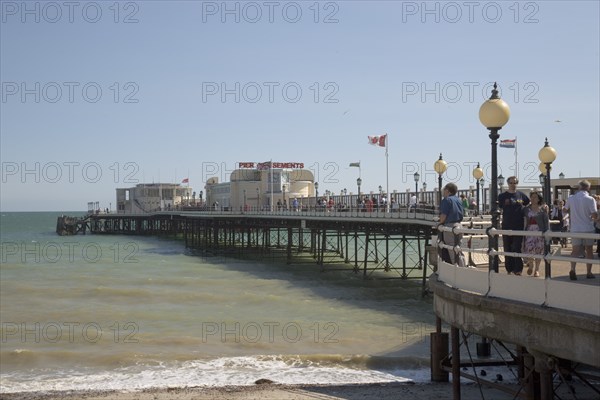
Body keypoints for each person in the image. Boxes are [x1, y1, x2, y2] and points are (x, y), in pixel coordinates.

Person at [564, 180, 598, 280]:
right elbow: (594, 215)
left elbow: (565, 210)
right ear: (588, 188)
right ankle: (589, 272)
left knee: (575, 251)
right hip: (588, 228)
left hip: (575, 228)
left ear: (579, 187)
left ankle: (573, 269)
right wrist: (594, 218)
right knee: (589, 251)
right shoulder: (590, 199)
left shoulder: (571, 198)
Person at [498, 176, 530, 275]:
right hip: (507, 224)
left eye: (515, 182)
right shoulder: (502, 196)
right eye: (511, 183)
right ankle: (509, 269)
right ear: (508, 184)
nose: (513, 184)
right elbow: (499, 206)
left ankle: (518, 269)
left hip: (518, 225)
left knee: (517, 247)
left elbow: (528, 203)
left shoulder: (521, 195)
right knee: (507, 247)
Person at [522, 191, 549, 277]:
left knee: (538, 250)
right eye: (532, 197)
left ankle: (537, 269)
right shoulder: (526, 209)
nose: (533, 199)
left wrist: (547, 232)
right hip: (529, 230)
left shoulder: (542, 209)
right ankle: (531, 264)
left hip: (539, 231)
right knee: (529, 248)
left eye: (535, 197)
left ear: (538, 199)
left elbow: (546, 221)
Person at [438, 183, 464, 265]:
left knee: (452, 250)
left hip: (450, 227)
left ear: (447, 191)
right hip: (459, 225)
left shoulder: (447, 200)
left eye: (444, 189)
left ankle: (459, 270)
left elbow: (443, 217)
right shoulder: (458, 200)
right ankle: (464, 266)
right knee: (458, 249)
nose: (443, 191)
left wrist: (439, 223)